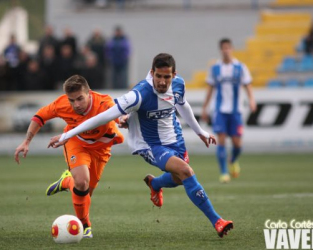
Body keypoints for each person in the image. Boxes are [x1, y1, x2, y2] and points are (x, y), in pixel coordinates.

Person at [48, 53, 234, 238]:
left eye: (166, 77)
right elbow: (103, 117)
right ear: (152, 73)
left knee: (179, 178)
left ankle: (155, 183)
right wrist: (68, 134)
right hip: (150, 145)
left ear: (174, 75)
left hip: (175, 140)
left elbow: (183, 105)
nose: (162, 81)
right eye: (158, 76)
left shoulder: (179, 84)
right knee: (186, 171)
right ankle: (217, 221)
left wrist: (200, 131)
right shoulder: (139, 94)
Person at [14, 75, 124, 238]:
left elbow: (118, 113)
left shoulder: (103, 102)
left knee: (86, 193)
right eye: (72, 100)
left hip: (101, 149)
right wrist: (26, 141)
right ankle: (85, 226)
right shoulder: (62, 104)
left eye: (80, 98)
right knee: (81, 182)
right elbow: (40, 116)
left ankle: (66, 181)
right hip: (76, 143)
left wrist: (123, 119)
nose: (76, 105)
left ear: (89, 93)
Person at [202, 38, 256, 183]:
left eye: (228, 48)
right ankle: (224, 172)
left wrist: (251, 100)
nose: (226, 50)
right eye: (223, 48)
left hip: (236, 111)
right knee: (220, 141)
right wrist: (205, 108)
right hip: (219, 111)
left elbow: (247, 85)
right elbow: (210, 89)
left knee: (238, 145)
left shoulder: (240, 67)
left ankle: (232, 160)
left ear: (231, 49)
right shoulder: (215, 68)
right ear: (220, 50)